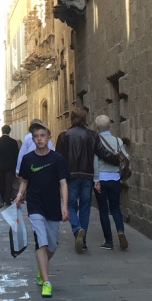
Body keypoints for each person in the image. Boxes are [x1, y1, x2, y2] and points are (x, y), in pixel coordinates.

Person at [14, 123, 68, 298]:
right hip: (35, 204)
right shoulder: (28, 159)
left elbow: (63, 183)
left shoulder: (57, 158)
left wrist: (65, 206)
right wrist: (20, 194)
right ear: (32, 139)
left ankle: (41, 266)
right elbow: (24, 181)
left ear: (49, 137)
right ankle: (46, 281)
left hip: (52, 204)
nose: (39, 139)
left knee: (52, 245)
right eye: (36, 136)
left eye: (42, 136)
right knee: (41, 241)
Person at [55, 107, 118, 253]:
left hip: (70, 177)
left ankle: (77, 229)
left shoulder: (64, 135)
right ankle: (82, 242)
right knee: (85, 208)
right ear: (85, 119)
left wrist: (57, 178)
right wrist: (118, 160)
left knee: (70, 205)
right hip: (87, 177)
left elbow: (58, 158)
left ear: (71, 118)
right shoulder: (92, 135)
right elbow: (103, 153)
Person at [94, 114, 129, 251]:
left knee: (103, 210)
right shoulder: (118, 141)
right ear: (109, 126)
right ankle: (120, 231)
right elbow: (126, 157)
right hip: (115, 179)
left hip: (101, 179)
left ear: (97, 127)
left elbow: (95, 162)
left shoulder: (97, 141)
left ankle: (109, 241)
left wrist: (96, 180)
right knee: (115, 208)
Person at [0, 124, 20, 207]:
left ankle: (2, 199)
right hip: (11, 166)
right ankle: (7, 200)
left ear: (2, 131)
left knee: (2, 182)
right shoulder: (13, 142)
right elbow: (16, 155)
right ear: (9, 131)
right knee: (9, 183)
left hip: (1, 166)